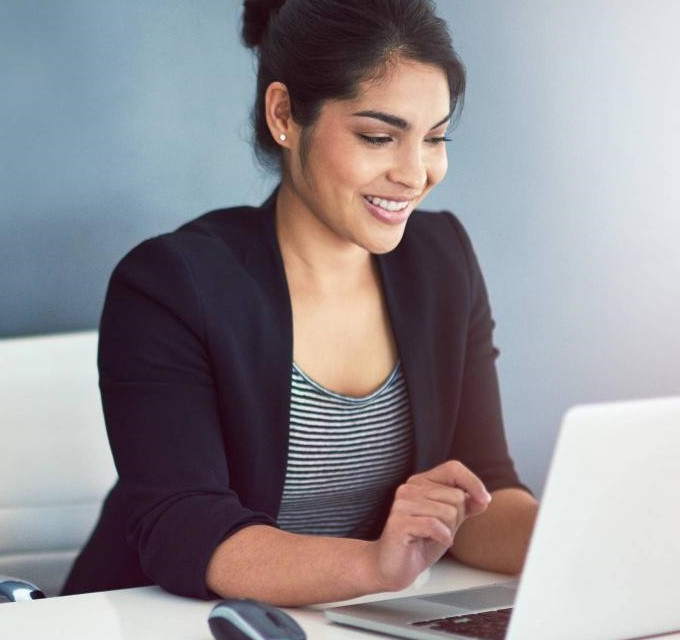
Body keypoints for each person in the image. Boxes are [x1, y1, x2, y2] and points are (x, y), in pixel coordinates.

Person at [63, 0, 539, 606]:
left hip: (344, 618)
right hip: (173, 621)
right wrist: (374, 566)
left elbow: (483, 496)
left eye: (436, 138)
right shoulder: (170, 285)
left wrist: (613, 536)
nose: (415, 173)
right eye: (377, 137)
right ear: (285, 115)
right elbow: (184, 528)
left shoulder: (443, 261)